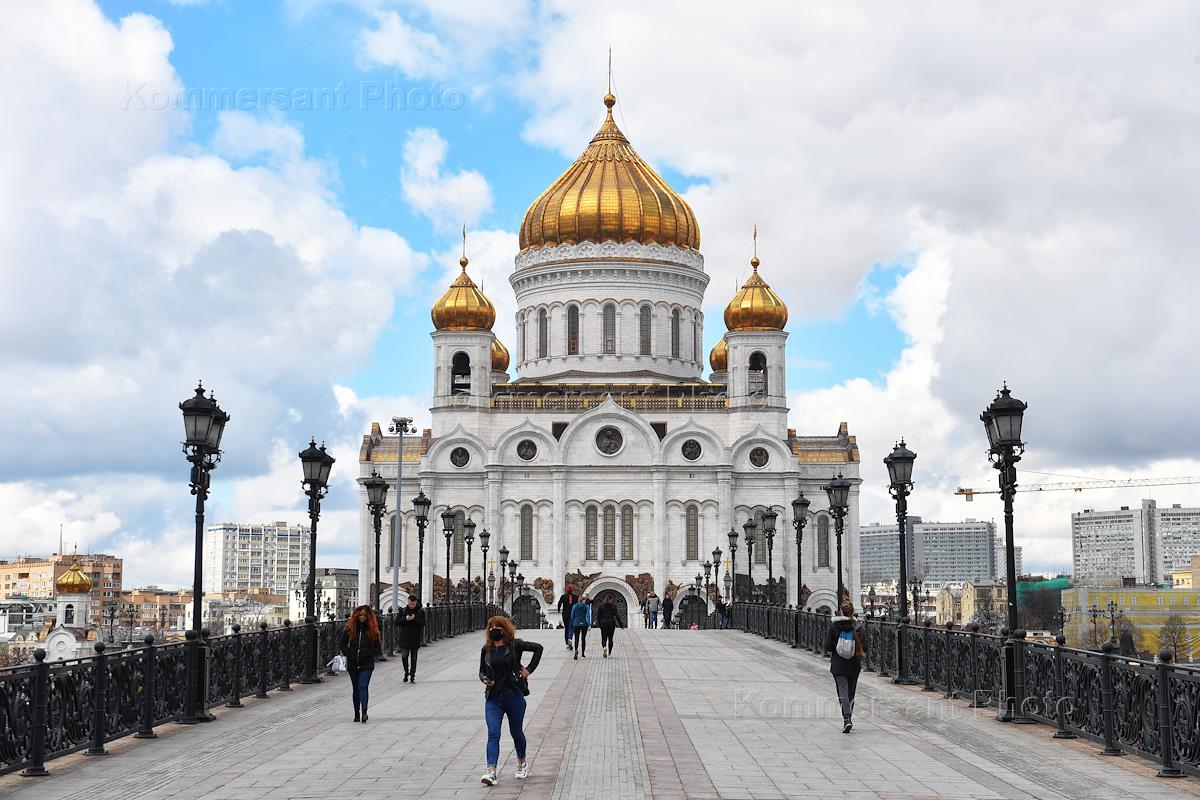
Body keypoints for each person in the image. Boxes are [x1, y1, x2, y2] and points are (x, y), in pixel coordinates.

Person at [478, 616, 543, 786]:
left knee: (516, 732)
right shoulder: (486, 649)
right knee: (493, 733)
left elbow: (538, 648)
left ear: (504, 629)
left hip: (513, 695)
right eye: (491, 627)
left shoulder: (515, 645)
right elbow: (481, 671)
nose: (494, 630)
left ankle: (522, 761)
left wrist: (528, 669)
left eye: (497, 627)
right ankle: (491, 772)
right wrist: (484, 678)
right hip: (493, 698)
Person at [822, 601, 867, 733]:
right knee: (851, 692)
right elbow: (864, 647)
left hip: (838, 664)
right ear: (852, 612)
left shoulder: (834, 626)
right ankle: (849, 717)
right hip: (853, 664)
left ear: (841, 612)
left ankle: (846, 718)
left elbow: (827, 646)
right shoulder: (858, 626)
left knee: (842, 691)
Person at [339, 605, 382, 723]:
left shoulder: (372, 629)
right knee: (355, 688)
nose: (362, 617)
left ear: (368, 617)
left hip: (366, 663)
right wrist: (349, 654)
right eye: (360, 615)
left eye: (365, 616)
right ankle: (356, 713)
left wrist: (368, 654)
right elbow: (342, 643)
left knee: (363, 686)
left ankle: (364, 711)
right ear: (356, 616)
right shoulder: (350, 628)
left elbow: (377, 647)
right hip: (353, 662)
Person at [396, 595, 425, 683]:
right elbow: (397, 622)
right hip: (404, 637)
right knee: (404, 656)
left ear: (416, 602)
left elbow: (423, 623)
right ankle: (406, 672)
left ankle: (412, 675)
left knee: (414, 658)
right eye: (410, 604)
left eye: (413, 604)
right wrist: (406, 619)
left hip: (415, 637)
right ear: (408, 602)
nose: (411, 605)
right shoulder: (403, 610)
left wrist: (414, 618)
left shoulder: (420, 612)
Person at [556, 584, 579, 651]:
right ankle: (570, 638)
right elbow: (577, 605)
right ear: (572, 590)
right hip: (573, 614)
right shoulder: (576, 597)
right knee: (571, 627)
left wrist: (558, 609)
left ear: (566, 590)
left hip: (565, 614)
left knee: (566, 628)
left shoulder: (563, 596)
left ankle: (567, 642)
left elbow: (559, 603)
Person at [570, 593, 592, 659]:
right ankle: (582, 653)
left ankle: (576, 650)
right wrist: (589, 624)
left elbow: (572, 616)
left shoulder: (574, 606)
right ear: (583, 601)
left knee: (576, 639)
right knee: (583, 639)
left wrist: (573, 622)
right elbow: (588, 616)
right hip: (584, 624)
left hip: (576, 623)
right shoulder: (586, 606)